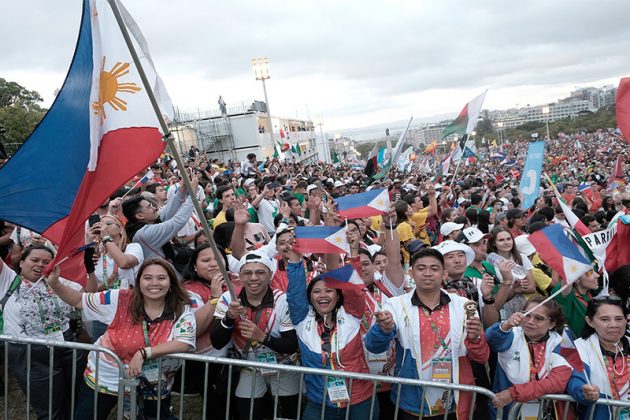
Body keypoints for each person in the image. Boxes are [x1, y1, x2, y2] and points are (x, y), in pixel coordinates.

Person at [45, 259, 196, 420]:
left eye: (161, 278)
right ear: (138, 282)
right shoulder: (119, 298)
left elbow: (184, 342)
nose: (154, 283)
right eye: (147, 278)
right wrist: (55, 284)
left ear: (171, 282)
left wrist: (144, 353)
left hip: (154, 379)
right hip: (106, 375)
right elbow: (78, 301)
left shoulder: (181, 309)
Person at [365, 248, 490, 420]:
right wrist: (383, 330)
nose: (428, 273)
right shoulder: (395, 305)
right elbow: (374, 346)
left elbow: (481, 357)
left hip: (454, 402)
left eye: (434, 268)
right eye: (421, 268)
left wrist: (475, 338)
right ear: (412, 272)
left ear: (444, 273)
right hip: (412, 402)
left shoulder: (464, 306)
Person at [285, 246, 377, 420]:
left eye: (329, 290)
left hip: (359, 402)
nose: (322, 295)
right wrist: (295, 259)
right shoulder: (302, 320)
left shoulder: (350, 315)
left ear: (337, 295)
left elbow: (354, 290)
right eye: (316, 291)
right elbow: (294, 294)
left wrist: (352, 253)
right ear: (310, 297)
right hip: (319, 403)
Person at [210, 251, 300, 420]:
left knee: (289, 414)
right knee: (249, 414)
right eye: (247, 273)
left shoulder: (283, 300)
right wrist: (229, 318)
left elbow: (291, 345)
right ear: (240, 276)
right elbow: (216, 342)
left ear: (270, 275)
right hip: (249, 368)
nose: (253, 278)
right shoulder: (228, 298)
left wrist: (263, 337)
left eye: (260, 272)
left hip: (283, 366)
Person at [1, 245, 86, 420]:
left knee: (74, 399)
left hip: (66, 345)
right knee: (49, 408)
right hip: (31, 353)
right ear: (22, 262)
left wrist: (90, 270)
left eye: (46, 262)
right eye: (34, 260)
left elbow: (87, 295)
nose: (40, 264)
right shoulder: (8, 280)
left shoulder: (57, 282)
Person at [485, 296, 573, 419]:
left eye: (538, 318)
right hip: (504, 410)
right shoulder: (511, 334)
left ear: (552, 324)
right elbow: (491, 340)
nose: (530, 321)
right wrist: (506, 325)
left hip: (543, 411)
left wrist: (513, 393)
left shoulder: (561, 342)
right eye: (527, 315)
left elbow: (556, 382)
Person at [177, 244, 237, 419]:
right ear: (194, 266)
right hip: (207, 363)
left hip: (238, 357)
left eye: (217, 259)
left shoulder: (237, 281)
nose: (213, 264)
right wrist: (215, 297)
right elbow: (192, 329)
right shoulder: (186, 291)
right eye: (206, 260)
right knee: (218, 408)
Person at [567, 297, 630, 420]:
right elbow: (575, 379)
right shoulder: (580, 348)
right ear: (590, 321)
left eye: (619, 319)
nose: (613, 325)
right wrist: (583, 391)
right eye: (604, 319)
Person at [85, 214, 143, 340]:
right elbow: (90, 291)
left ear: (121, 230)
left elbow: (124, 263)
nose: (103, 227)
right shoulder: (95, 254)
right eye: (100, 224)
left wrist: (105, 237)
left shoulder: (132, 247)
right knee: (102, 354)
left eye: (108, 224)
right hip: (103, 312)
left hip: (130, 309)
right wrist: (88, 245)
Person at [123, 177, 197, 261]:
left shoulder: (148, 222)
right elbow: (177, 222)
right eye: (149, 207)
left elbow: (168, 211)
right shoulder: (144, 233)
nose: (154, 208)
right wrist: (192, 195)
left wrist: (182, 189)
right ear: (140, 216)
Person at [551, 269, 599, 337]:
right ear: (576, 279)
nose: (597, 275)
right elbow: (566, 285)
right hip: (575, 345)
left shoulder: (589, 295)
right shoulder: (566, 296)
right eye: (590, 272)